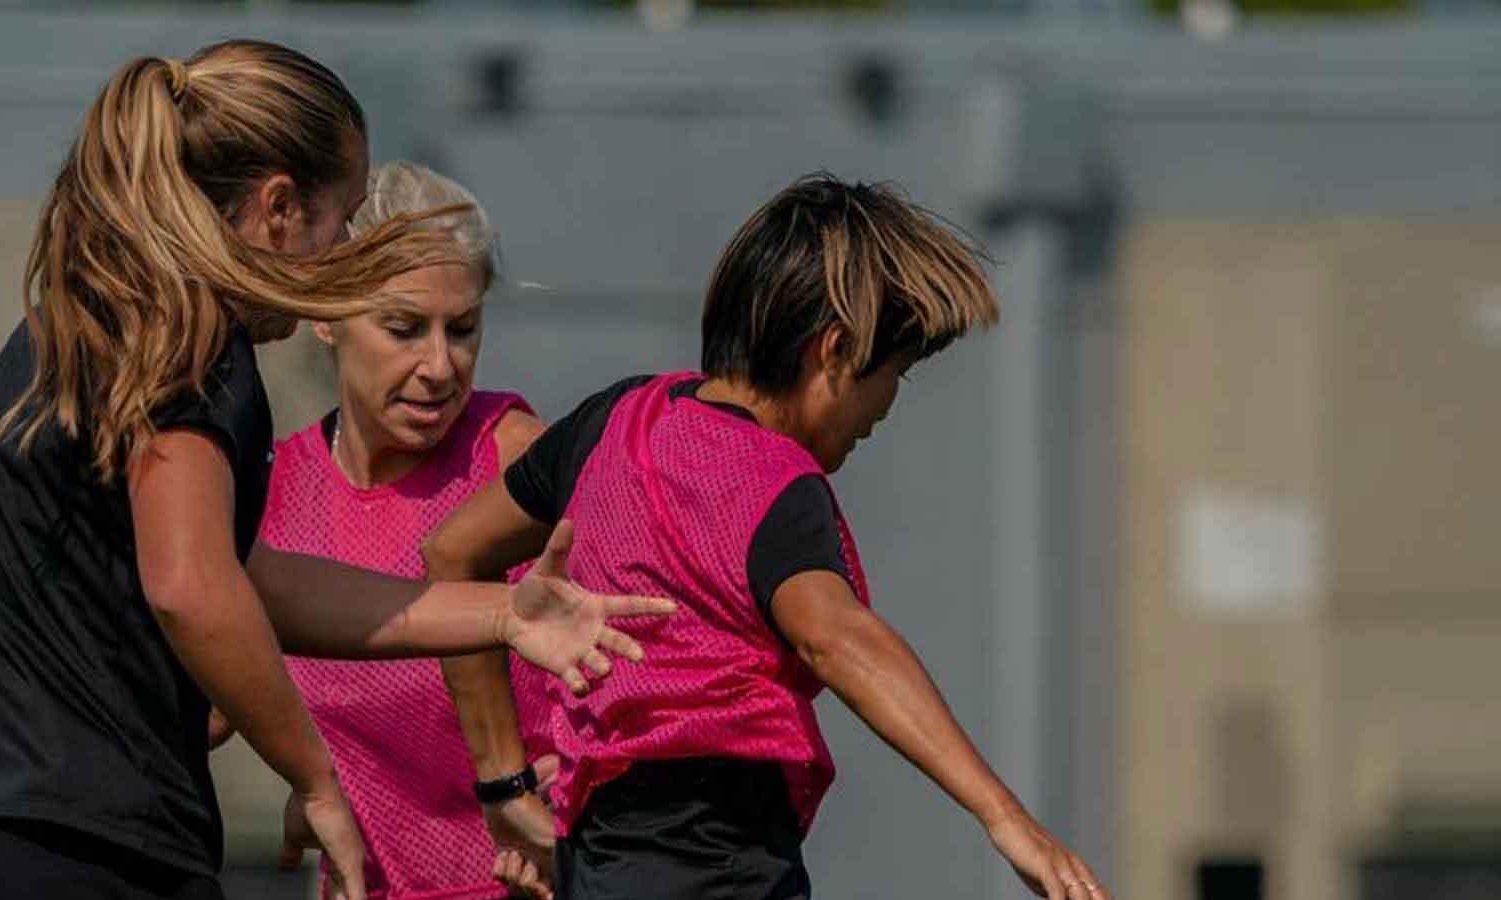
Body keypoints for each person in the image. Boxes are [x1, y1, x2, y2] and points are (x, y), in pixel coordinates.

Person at [0, 41, 667, 900]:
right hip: (77, 844)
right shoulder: (187, 332)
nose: (343, 255)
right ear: (276, 208)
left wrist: (503, 614)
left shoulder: (94, 311)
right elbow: (190, 587)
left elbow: (248, 582)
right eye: (341, 226)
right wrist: (315, 776)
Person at [424, 174, 1110, 900]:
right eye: (895, 374)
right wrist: (1005, 817)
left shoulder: (614, 421)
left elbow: (452, 551)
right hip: (718, 861)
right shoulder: (778, 480)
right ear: (836, 351)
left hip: (602, 857)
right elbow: (835, 636)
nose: (886, 408)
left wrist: (503, 781)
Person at [254, 161, 555, 899]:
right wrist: (307, 777)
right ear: (325, 314)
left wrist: (576, 788)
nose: (439, 365)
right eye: (403, 328)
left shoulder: (520, 462)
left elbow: (650, 659)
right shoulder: (273, 493)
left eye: (462, 328)